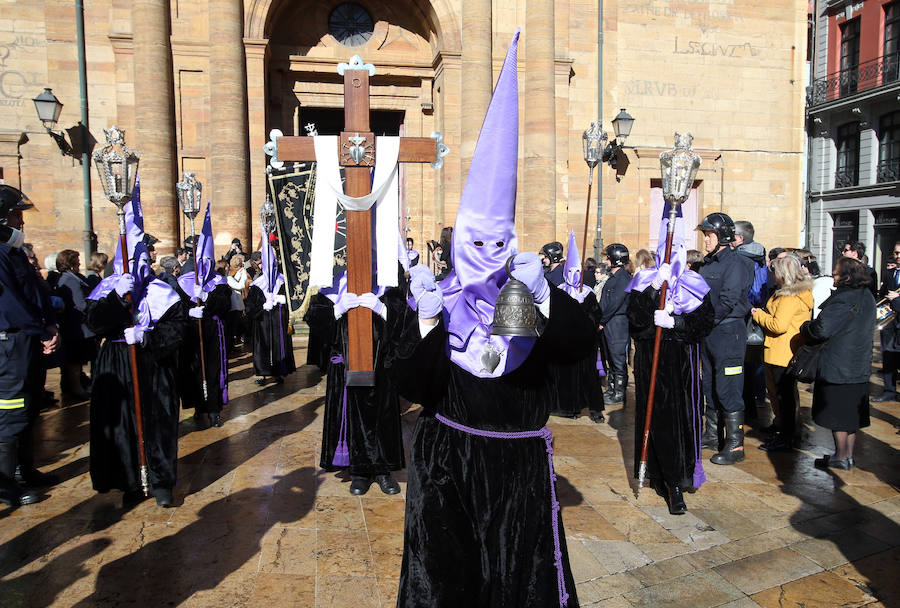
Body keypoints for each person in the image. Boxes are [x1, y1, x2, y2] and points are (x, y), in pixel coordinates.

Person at [392, 32, 586, 607]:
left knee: (518, 578)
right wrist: (427, 324)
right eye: (475, 242)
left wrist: (546, 292)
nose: (487, 253)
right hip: (447, 464)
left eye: (497, 241)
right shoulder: (443, 300)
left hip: (519, 468)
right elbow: (413, 387)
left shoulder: (528, 294)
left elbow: (576, 351)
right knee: (447, 579)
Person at [85, 189, 188, 507]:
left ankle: (160, 483)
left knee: (157, 422)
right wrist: (117, 298)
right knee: (122, 424)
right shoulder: (106, 287)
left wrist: (147, 338)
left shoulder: (163, 292)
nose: (139, 264)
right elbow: (93, 323)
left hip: (153, 366)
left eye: (143, 258)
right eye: (131, 259)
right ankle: (130, 480)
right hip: (116, 363)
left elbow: (177, 330)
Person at [626, 204, 714, 514]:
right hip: (651, 362)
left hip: (681, 364)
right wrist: (651, 289)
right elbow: (634, 321)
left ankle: (678, 480)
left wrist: (676, 323)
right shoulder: (645, 281)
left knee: (679, 421)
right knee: (656, 418)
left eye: (675, 247)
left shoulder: (694, 283)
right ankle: (656, 472)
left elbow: (705, 323)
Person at [305, 266, 409, 495]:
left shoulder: (388, 287)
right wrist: (338, 309)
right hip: (345, 367)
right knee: (352, 417)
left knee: (382, 416)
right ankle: (359, 471)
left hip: (382, 367)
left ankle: (383, 470)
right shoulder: (333, 284)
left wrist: (381, 308)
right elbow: (313, 319)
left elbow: (405, 321)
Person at [0, 185, 59, 507]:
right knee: (11, 410)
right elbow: (10, 303)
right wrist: (39, 330)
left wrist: (49, 324)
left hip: (27, 339)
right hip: (11, 341)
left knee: (30, 405)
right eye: (15, 214)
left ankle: (25, 470)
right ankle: (6, 482)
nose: (20, 222)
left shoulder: (13, 253)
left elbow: (35, 293)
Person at [802, 257, 875, 470]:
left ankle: (841, 457)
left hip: (839, 365)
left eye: (836, 272)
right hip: (858, 365)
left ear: (847, 276)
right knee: (850, 415)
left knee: (839, 414)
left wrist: (807, 328)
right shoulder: (866, 296)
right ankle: (846, 455)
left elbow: (822, 329)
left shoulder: (845, 298)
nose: (832, 275)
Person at [697, 212, 754, 465]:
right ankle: (712, 434)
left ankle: (734, 445)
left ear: (721, 236)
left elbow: (728, 301)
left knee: (728, 388)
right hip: (710, 333)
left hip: (729, 332)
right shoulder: (708, 263)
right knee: (709, 383)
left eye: (708, 235)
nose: (705, 240)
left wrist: (704, 319)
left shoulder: (736, 264)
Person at [751, 254, 813, 451]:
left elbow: (779, 325)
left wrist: (758, 315)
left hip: (781, 352)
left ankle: (786, 436)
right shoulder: (796, 293)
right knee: (783, 394)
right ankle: (783, 427)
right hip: (783, 350)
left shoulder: (789, 297)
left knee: (782, 396)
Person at [176, 209, 232, 428]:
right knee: (194, 370)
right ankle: (198, 405)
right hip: (193, 333)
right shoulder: (185, 281)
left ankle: (214, 409)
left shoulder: (219, 282)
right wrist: (189, 311)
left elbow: (225, 306)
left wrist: (207, 296)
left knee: (213, 369)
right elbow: (176, 308)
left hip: (213, 333)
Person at [549, 231, 605, 422]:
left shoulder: (587, 294)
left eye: (577, 272)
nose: (574, 276)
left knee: (588, 375)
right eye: (570, 272)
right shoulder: (559, 292)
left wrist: (584, 327)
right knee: (565, 375)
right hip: (565, 343)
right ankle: (566, 407)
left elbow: (595, 315)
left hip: (584, 343)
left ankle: (595, 409)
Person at [245, 234, 295, 384]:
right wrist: (262, 306)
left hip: (278, 319)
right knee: (263, 347)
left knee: (279, 345)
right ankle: (262, 373)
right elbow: (249, 307)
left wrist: (282, 300)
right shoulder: (257, 285)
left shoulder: (282, 281)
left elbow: (292, 299)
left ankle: (278, 371)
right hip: (262, 323)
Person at [55, 249, 95, 399]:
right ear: (71, 264)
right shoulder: (70, 280)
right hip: (75, 328)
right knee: (75, 363)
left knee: (73, 361)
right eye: (77, 261)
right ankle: (77, 389)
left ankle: (71, 386)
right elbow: (80, 304)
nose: (79, 263)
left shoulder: (68, 278)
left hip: (73, 326)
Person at [598, 243, 632, 405]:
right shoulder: (614, 277)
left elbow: (615, 302)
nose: (605, 260)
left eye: (608, 257)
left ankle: (619, 393)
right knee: (610, 357)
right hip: (609, 321)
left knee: (617, 358)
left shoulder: (623, 278)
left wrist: (602, 321)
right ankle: (612, 389)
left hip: (617, 322)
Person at [875, 241, 900, 402]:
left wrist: (898, 299)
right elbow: (882, 296)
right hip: (889, 323)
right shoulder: (889, 273)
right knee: (888, 357)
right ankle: (889, 390)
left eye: (899, 253)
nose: (896, 256)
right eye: (896, 253)